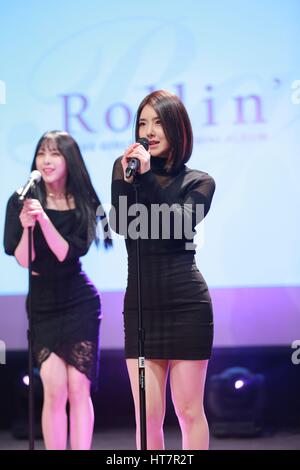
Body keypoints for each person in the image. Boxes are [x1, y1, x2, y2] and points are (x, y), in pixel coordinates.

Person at [111, 90, 216, 450]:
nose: (149, 131)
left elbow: (178, 226)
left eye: (158, 122)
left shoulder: (200, 182)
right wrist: (135, 178)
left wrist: (147, 180)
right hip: (142, 304)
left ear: (176, 128)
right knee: (147, 418)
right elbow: (127, 224)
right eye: (142, 122)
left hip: (188, 305)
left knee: (188, 412)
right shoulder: (124, 170)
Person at [4, 130, 111, 450]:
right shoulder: (19, 200)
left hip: (78, 300)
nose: (46, 161)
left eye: (55, 154)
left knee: (78, 387)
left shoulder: (84, 203)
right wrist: (26, 226)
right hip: (42, 302)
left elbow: (67, 253)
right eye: (41, 153)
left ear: (69, 160)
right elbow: (23, 259)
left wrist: (44, 220)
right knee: (54, 388)